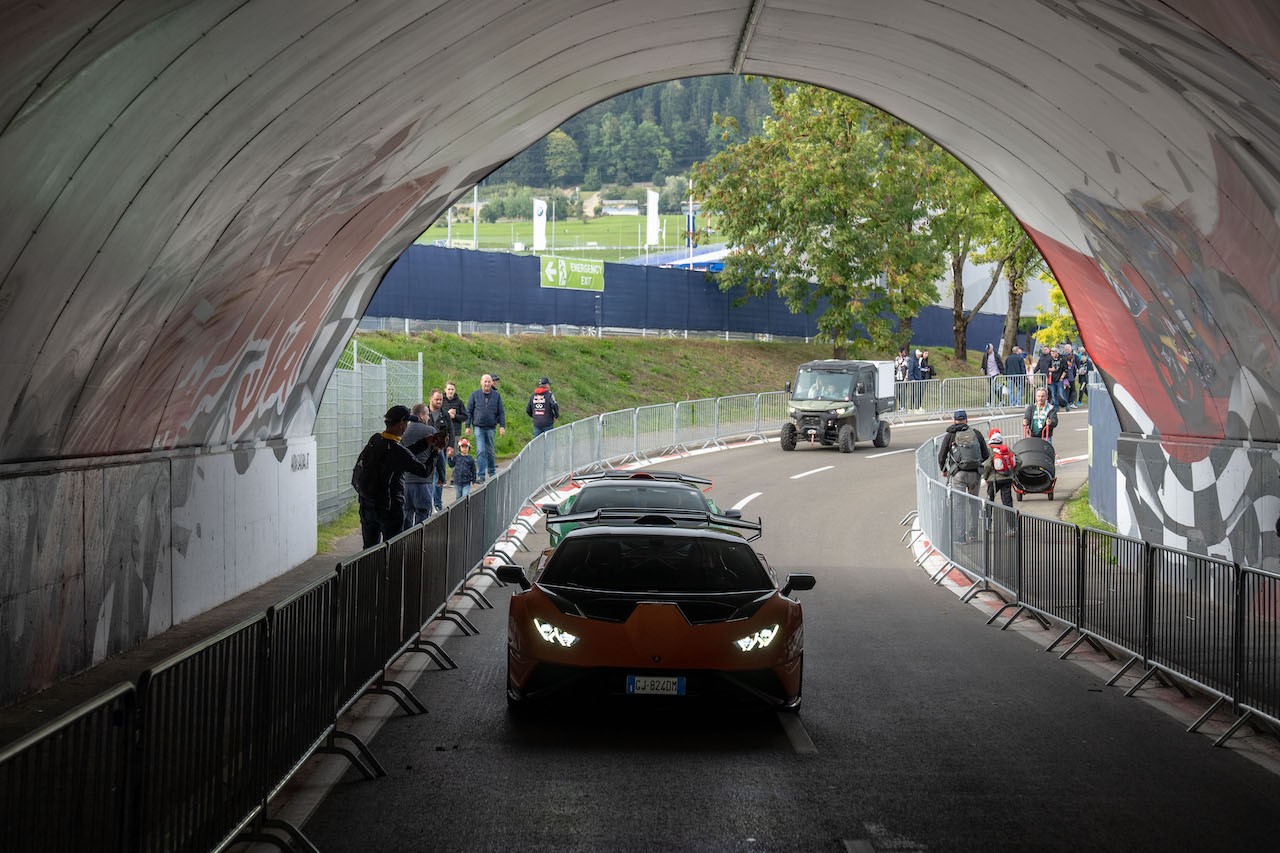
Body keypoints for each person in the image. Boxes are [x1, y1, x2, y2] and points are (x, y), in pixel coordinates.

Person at [353, 405, 445, 547]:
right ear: (402, 424)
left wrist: (426, 442)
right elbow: (423, 471)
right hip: (389, 510)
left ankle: (371, 570)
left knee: (368, 552)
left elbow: (403, 454)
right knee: (393, 550)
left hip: (367, 505)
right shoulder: (397, 451)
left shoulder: (375, 440)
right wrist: (436, 451)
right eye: (406, 423)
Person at [937, 409, 988, 542]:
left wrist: (944, 469)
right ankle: (974, 535)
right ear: (966, 420)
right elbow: (986, 454)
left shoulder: (950, 435)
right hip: (975, 475)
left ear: (954, 420)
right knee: (973, 503)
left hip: (958, 474)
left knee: (959, 505)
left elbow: (941, 455)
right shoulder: (976, 433)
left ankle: (960, 537)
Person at [401, 402, 442, 528]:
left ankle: (404, 544)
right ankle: (418, 545)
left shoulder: (402, 431)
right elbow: (438, 455)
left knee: (406, 515)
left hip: (406, 482)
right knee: (423, 518)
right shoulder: (430, 431)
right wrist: (442, 476)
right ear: (421, 416)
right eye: (427, 415)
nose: (429, 418)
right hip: (424, 482)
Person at [465, 373, 505, 483]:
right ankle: (481, 475)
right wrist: (467, 426)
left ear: (491, 383)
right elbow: (469, 411)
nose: (487, 384)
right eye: (485, 381)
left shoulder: (496, 396)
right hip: (478, 427)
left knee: (490, 451)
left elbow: (501, 412)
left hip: (491, 427)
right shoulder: (475, 395)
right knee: (480, 450)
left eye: (489, 381)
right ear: (481, 382)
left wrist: (502, 426)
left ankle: (492, 472)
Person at [982, 429, 1017, 531]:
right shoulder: (1008, 449)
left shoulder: (990, 451)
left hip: (993, 481)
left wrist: (985, 477)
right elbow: (1019, 461)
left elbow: (987, 466)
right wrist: (1012, 473)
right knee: (1007, 503)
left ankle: (987, 526)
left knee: (989, 501)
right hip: (1007, 480)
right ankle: (1012, 527)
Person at [424, 389, 452, 512]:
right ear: (430, 398)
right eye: (437, 399)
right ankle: (429, 503)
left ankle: (438, 503)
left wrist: (450, 446)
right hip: (426, 450)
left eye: (441, 399)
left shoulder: (445, 414)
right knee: (429, 476)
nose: (439, 401)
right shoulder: (424, 413)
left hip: (441, 451)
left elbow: (451, 430)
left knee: (440, 476)